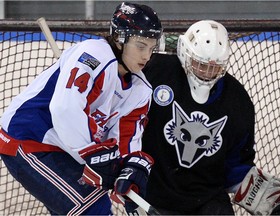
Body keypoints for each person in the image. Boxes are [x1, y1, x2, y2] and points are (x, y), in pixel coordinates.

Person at [0, 2, 162, 215]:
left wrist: (128, 169)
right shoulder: (94, 54)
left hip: (64, 150)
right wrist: (96, 156)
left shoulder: (140, 90)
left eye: (151, 48)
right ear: (120, 40)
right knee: (94, 209)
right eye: (141, 46)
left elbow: (126, 139)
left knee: (89, 205)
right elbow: (65, 109)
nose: (146, 56)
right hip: (29, 138)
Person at [142, 20, 280, 215]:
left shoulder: (237, 101)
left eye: (214, 68)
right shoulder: (155, 74)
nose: (206, 73)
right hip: (154, 195)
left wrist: (265, 194)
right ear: (185, 54)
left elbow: (235, 164)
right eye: (200, 64)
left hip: (207, 197)